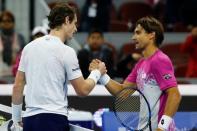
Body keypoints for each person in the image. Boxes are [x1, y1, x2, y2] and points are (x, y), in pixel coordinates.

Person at [11, 3, 106, 131]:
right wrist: (97, 73)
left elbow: (18, 86)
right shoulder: (67, 51)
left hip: (30, 121)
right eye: (75, 23)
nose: (76, 29)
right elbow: (82, 90)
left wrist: (16, 120)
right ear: (67, 20)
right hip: (53, 120)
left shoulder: (28, 48)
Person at [90, 16, 181, 131]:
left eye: (138, 33)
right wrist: (101, 75)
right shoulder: (141, 63)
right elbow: (122, 92)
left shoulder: (160, 60)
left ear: (151, 35)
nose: (133, 37)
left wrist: (162, 127)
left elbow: (175, 95)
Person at [0, 10, 25, 77]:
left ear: (13, 23)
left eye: (9, 21)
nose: (6, 23)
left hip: (15, 75)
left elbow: (23, 57)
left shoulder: (20, 38)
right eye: (3, 21)